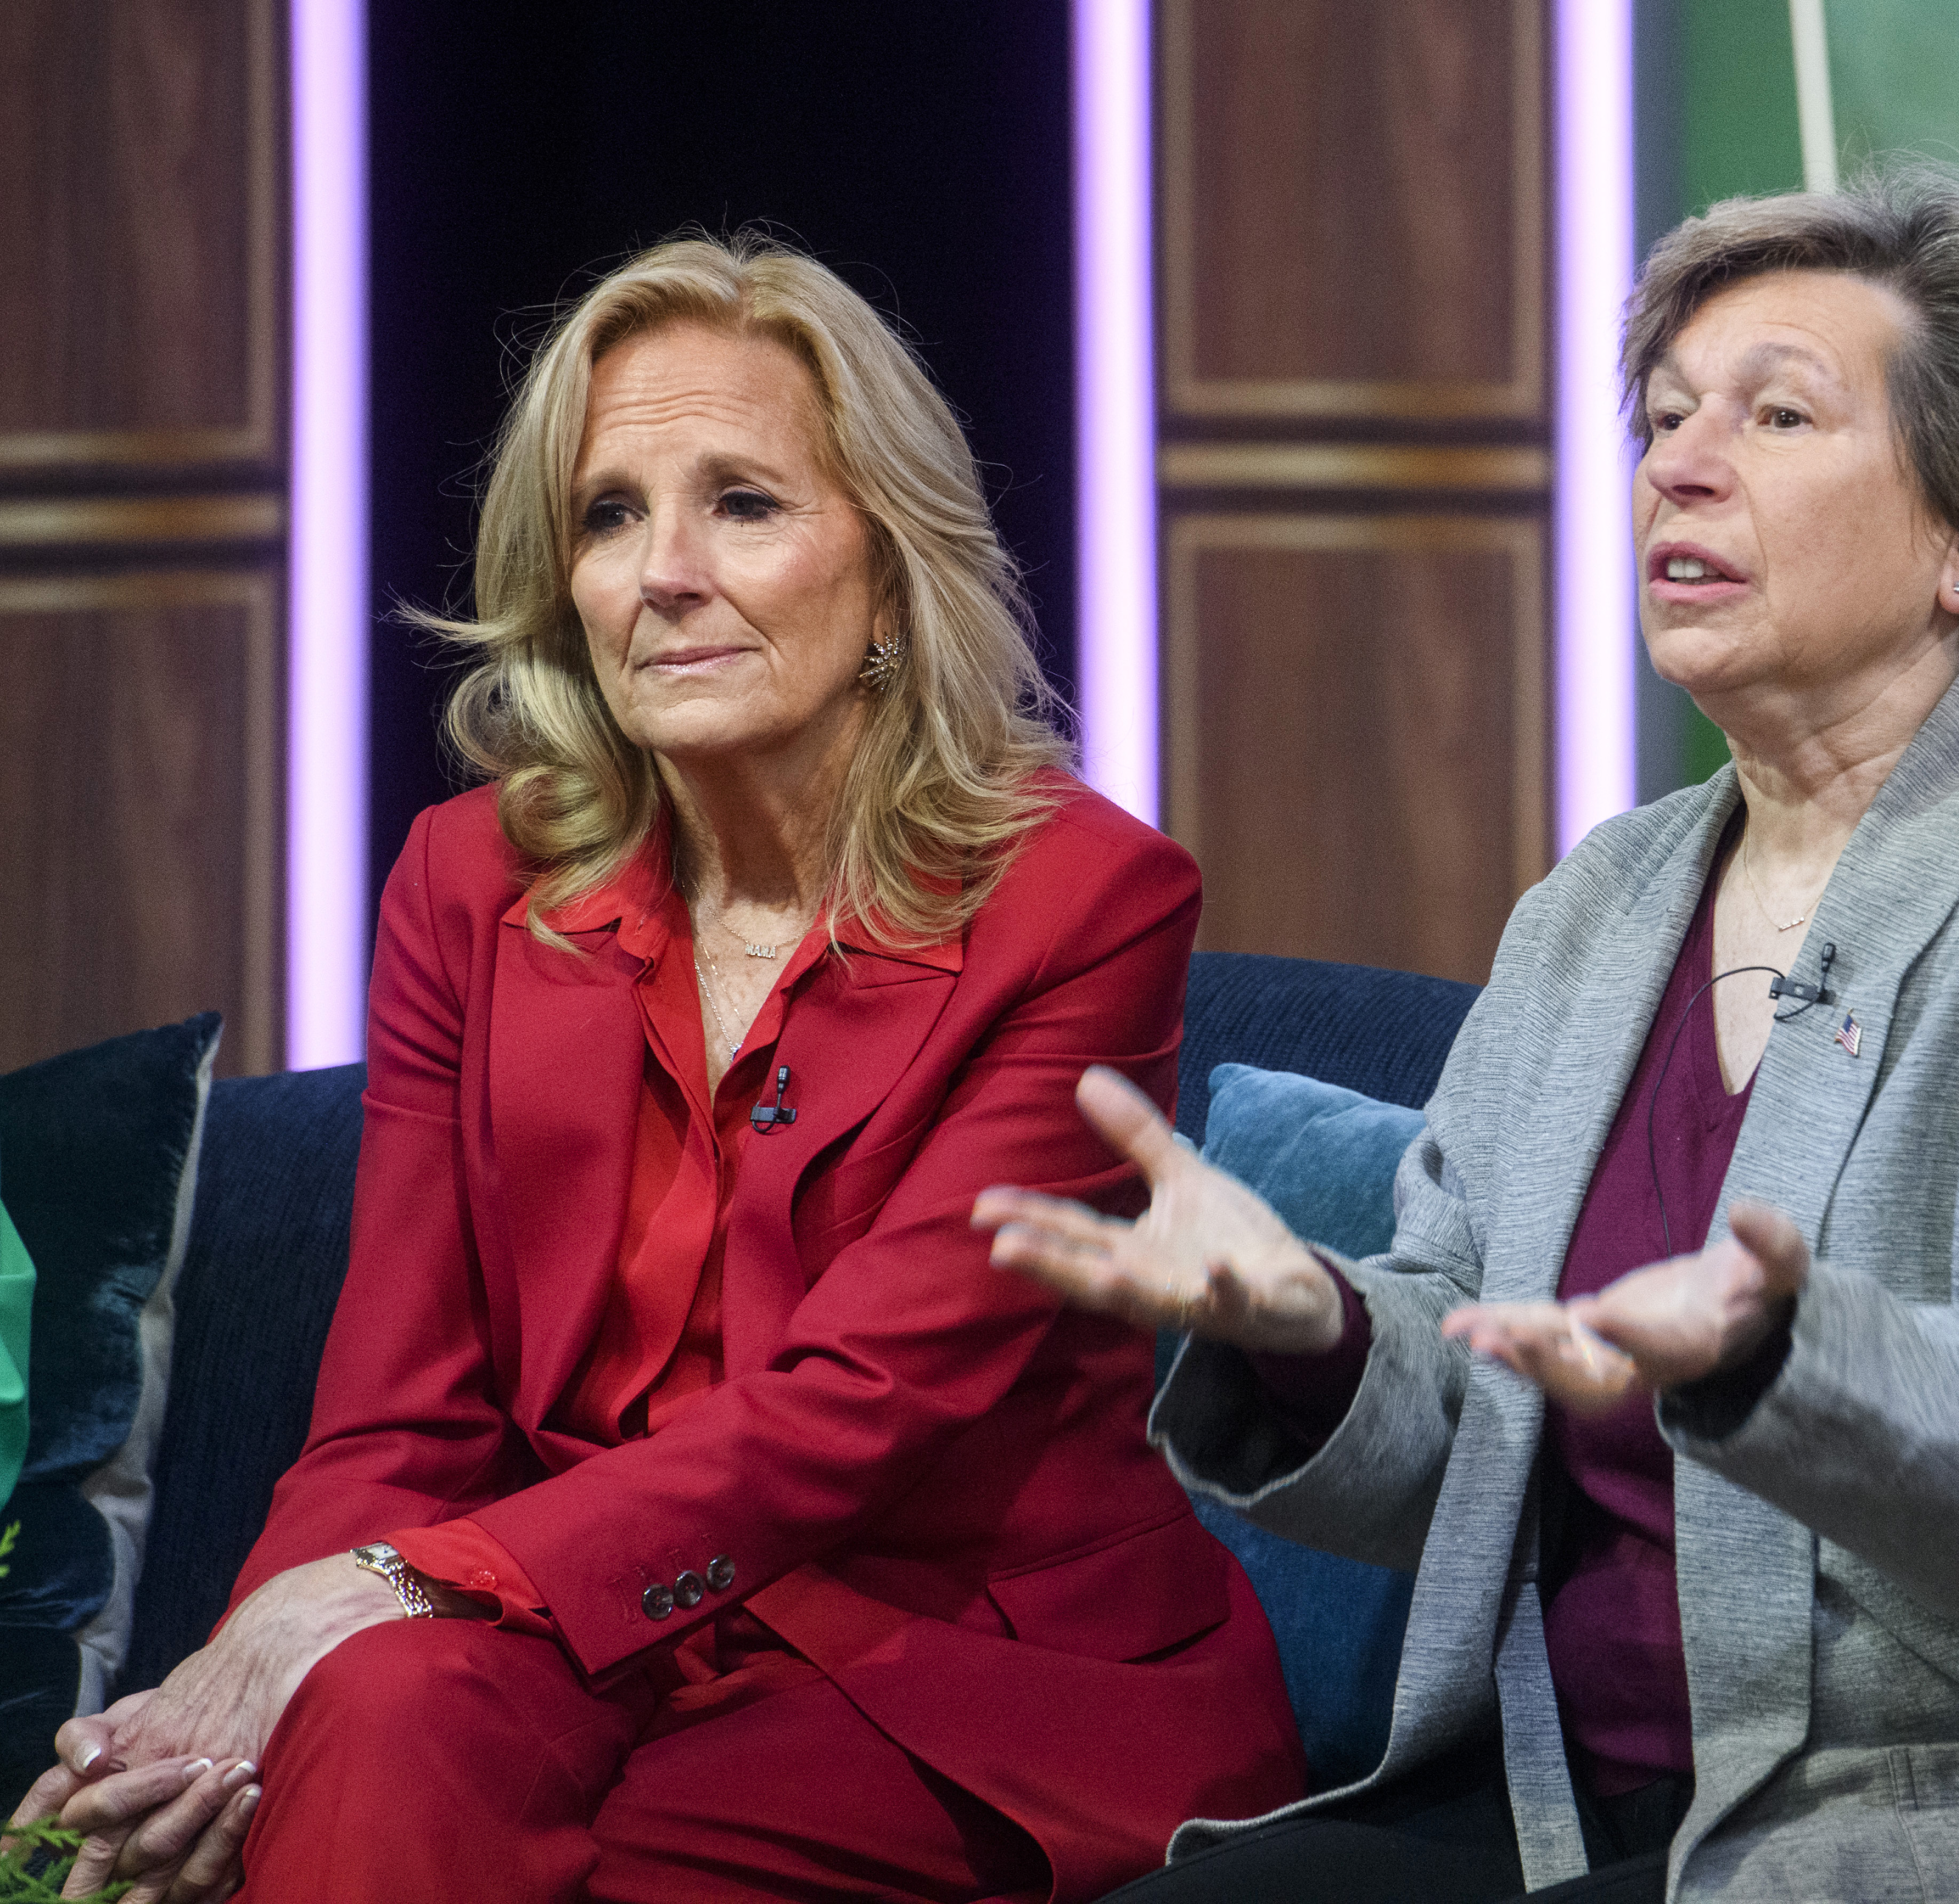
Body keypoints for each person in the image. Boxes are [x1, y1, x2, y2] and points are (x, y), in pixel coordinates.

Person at [976, 164, 1959, 1903]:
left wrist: (1787, 1362)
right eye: (1664, 417)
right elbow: (1472, 1439)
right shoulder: (1600, 904)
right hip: (1605, 1807)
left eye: (1778, 414)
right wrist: (1315, 1325)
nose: (1679, 465)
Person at [10, 233, 1301, 1904]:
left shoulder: (1081, 904)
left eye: (743, 504)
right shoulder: (467, 886)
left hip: (956, 1666)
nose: (660, 573)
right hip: (569, 1627)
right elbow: (397, 1408)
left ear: (891, 570)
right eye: (611, 514)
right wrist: (244, 1687)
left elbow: (862, 1416)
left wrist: (390, 1593)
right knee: (364, 1737)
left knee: (542, 1855)